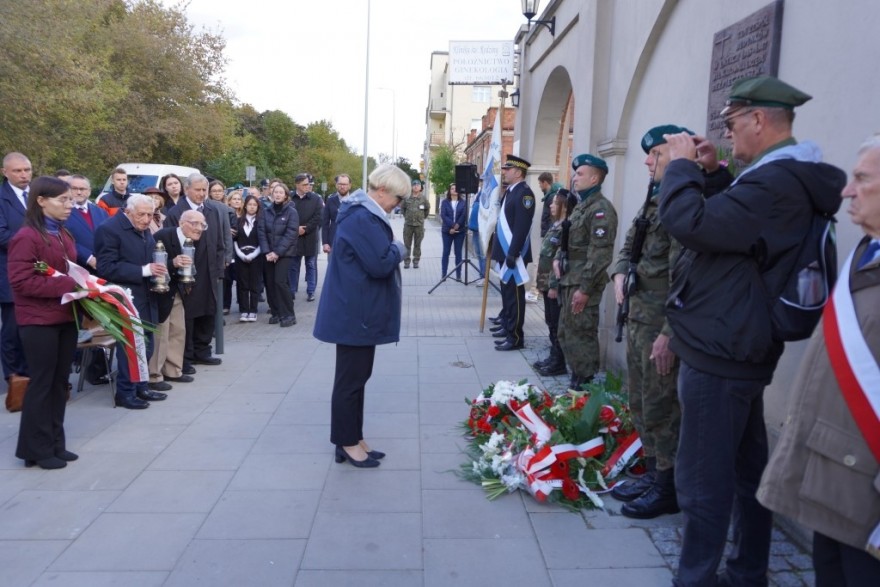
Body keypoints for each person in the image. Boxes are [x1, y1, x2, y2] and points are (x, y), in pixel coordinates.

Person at [657, 76, 846, 586]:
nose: (728, 132)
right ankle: (747, 572)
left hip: (722, 353)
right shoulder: (776, 178)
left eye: (732, 122)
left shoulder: (775, 182)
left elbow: (692, 223)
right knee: (746, 475)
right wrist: (714, 173)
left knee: (702, 483)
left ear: (759, 120)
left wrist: (679, 167)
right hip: (738, 348)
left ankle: (696, 579)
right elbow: (734, 227)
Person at [756, 136, 880, 586]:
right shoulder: (866, 254)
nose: (848, 190)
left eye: (863, 178)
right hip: (835, 476)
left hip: (866, 487)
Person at [609, 125, 687, 518]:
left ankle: (668, 486)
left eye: (654, 153)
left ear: (676, 154)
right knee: (639, 400)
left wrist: (669, 334)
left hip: (660, 323)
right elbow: (628, 245)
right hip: (639, 316)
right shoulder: (654, 201)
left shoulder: (684, 203)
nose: (646, 160)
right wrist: (620, 273)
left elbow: (687, 276)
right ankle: (655, 473)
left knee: (663, 406)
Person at [313, 164, 409, 468]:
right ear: (381, 191)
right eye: (397, 197)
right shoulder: (362, 217)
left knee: (356, 378)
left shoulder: (363, 214)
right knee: (350, 381)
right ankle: (346, 442)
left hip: (357, 310)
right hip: (355, 313)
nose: (398, 204)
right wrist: (399, 248)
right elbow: (380, 263)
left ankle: (354, 437)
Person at [7, 177, 79, 469]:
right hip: (38, 321)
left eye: (71, 200)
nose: (69, 205)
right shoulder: (26, 236)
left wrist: (84, 284)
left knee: (60, 383)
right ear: (41, 201)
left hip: (64, 317)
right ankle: (35, 449)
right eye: (63, 200)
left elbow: (69, 269)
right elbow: (21, 281)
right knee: (42, 383)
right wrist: (69, 286)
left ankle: (54, 443)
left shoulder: (63, 233)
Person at [94, 194, 170, 409]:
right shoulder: (108, 229)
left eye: (150, 215)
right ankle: (125, 392)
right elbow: (105, 267)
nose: (147, 220)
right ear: (127, 212)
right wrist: (144, 270)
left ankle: (141, 387)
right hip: (126, 296)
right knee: (131, 347)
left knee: (146, 345)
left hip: (147, 294)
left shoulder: (143, 228)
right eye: (142, 215)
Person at [554, 154, 618, 386]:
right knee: (567, 333)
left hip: (582, 283)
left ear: (594, 179)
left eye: (580, 174)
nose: (574, 178)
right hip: (570, 279)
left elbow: (600, 253)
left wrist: (585, 288)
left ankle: (585, 385)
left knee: (581, 334)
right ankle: (577, 380)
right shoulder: (581, 207)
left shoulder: (601, 209)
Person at [164, 174, 227, 365]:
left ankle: (203, 350)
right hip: (187, 272)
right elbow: (170, 243)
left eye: (204, 190)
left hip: (210, 270)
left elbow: (219, 242)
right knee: (188, 313)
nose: (201, 194)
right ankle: (187, 355)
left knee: (208, 310)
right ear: (186, 189)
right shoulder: (176, 213)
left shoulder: (212, 210)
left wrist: (219, 268)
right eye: (198, 190)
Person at [151, 210, 207, 390]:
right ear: (183, 223)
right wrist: (172, 264)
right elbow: (152, 265)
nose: (199, 229)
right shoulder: (162, 236)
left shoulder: (193, 241)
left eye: (202, 225)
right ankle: (154, 376)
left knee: (178, 329)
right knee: (161, 333)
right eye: (195, 224)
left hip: (177, 291)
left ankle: (173, 370)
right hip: (160, 291)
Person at [490, 155, 536, 351]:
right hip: (505, 251)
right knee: (507, 294)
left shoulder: (525, 194)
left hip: (514, 254)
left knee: (515, 297)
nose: (505, 172)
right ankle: (508, 327)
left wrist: (513, 253)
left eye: (508, 169)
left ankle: (516, 337)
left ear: (518, 172)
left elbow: (521, 227)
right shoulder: (511, 192)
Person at [533, 189, 576, 377]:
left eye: (555, 203)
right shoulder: (555, 225)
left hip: (553, 283)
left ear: (564, 206)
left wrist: (553, 285)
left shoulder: (566, 227)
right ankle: (553, 356)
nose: (550, 205)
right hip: (545, 281)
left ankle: (559, 361)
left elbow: (561, 259)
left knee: (557, 322)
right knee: (550, 321)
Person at [0, 152, 32, 391]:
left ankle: (33, 376)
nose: (23, 175)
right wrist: (34, 246)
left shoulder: (38, 197)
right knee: (12, 328)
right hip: (10, 273)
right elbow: (2, 235)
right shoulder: (2, 198)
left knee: (32, 327)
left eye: (27, 170)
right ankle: (15, 381)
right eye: (17, 171)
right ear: (5, 172)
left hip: (39, 273)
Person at [258, 182, 298, 327]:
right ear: (271, 194)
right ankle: (276, 312)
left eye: (281, 192)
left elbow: (291, 234)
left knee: (280, 282)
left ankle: (288, 314)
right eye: (276, 192)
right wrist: (268, 252)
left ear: (286, 195)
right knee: (269, 283)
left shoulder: (291, 212)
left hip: (284, 254)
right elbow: (261, 232)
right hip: (268, 253)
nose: (278, 194)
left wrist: (277, 252)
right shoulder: (265, 211)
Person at [288, 173, 323, 302]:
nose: (308, 186)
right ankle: (291, 290)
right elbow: (286, 214)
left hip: (310, 237)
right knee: (293, 265)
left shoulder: (315, 199)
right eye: (305, 184)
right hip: (294, 236)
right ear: (297, 185)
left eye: (308, 184)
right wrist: (295, 228)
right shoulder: (290, 198)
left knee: (311, 264)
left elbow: (318, 217)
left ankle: (311, 291)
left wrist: (306, 228)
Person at [64, 175, 109, 272]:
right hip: (77, 267)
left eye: (82, 189)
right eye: (74, 189)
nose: (79, 192)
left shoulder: (101, 212)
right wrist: (88, 258)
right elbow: (64, 240)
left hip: (104, 265)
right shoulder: (62, 212)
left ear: (89, 191)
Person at [234, 195, 263, 322]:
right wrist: (240, 254)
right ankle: (244, 310)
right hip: (240, 256)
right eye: (250, 204)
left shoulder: (260, 222)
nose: (252, 207)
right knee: (242, 284)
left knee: (254, 284)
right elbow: (234, 240)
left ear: (258, 207)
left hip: (256, 256)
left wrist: (253, 255)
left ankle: (253, 310)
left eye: (254, 205)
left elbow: (262, 241)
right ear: (245, 205)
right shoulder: (238, 221)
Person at [223, 189, 244, 315]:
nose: (236, 201)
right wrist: (227, 231)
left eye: (239, 199)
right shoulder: (225, 214)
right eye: (234, 199)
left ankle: (243, 306)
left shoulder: (245, 215)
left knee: (241, 280)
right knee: (227, 280)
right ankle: (226, 305)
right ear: (229, 201)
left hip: (243, 252)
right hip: (230, 252)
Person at [439, 183, 467, 280]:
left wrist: (456, 226)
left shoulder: (463, 202)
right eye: (452, 188)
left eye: (456, 188)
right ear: (449, 191)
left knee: (458, 252)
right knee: (446, 252)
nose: (454, 190)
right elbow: (443, 215)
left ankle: (458, 275)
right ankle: (444, 274)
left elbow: (464, 215)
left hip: (460, 231)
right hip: (447, 231)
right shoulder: (445, 202)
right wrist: (452, 226)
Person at [400, 179, 429, 268]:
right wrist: (407, 217)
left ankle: (416, 261)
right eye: (414, 185)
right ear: (412, 187)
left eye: (418, 185)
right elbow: (403, 209)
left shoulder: (423, 199)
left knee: (417, 244)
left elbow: (427, 210)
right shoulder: (407, 198)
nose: (416, 186)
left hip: (419, 226)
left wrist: (421, 218)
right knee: (407, 244)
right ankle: (407, 261)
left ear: (420, 188)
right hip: (408, 225)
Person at [322, 174, 352, 254]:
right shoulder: (330, 200)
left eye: (345, 184)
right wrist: (325, 242)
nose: (342, 187)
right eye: (340, 184)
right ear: (336, 185)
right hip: (333, 242)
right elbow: (325, 223)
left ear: (349, 186)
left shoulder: (355, 201)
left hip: (350, 243)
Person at [537, 171, 563, 237]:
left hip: (550, 233)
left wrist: (548, 233)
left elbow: (553, 217)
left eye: (540, 183)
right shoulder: (549, 195)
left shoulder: (552, 197)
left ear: (545, 183)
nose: (539, 186)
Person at [467, 192, 485, 279]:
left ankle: (483, 276)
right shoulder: (480, 193)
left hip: (482, 230)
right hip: (475, 229)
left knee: (483, 255)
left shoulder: (488, 192)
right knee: (479, 254)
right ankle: (482, 275)